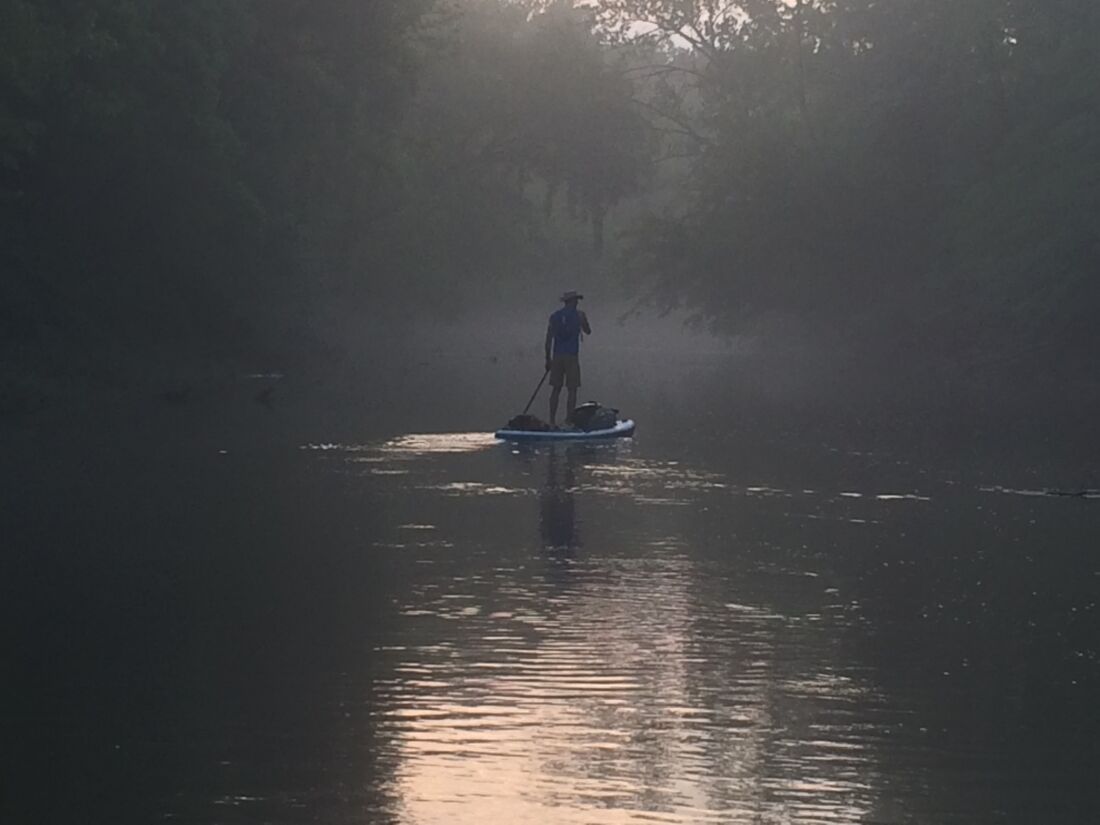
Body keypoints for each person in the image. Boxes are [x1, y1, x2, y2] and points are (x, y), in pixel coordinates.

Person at [544, 290, 591, 427]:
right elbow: (588, 331)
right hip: (571, 357)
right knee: (572, 389)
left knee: (556, 389)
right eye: (576, 300)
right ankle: (568, 421)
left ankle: (551, 421)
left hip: (557, 356)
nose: (577, 302)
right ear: (572, 301)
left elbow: (548, 339)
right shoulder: (580, 315)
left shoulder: (554, 316)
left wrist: (548, 359)